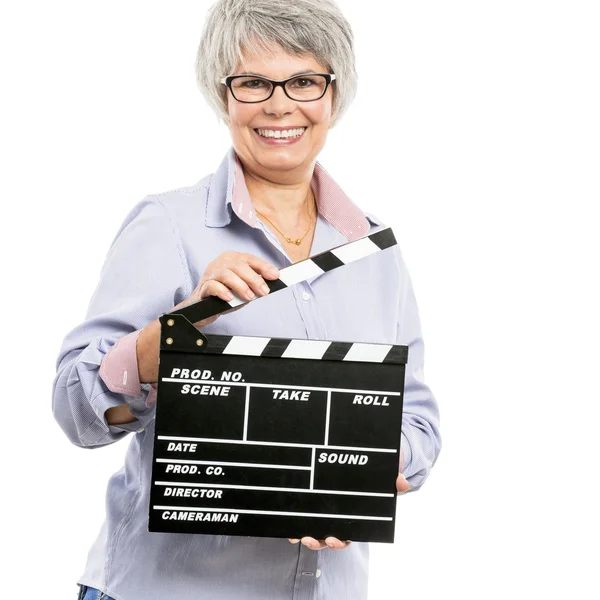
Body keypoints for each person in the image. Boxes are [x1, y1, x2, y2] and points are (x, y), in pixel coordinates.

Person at [52, 0, 441, 598]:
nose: (280, 104)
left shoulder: (373, 248)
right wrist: (175, 331)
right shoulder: (169, 224)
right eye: (254, 82)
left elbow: (415, 418)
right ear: (223, 94)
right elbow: (76, 410)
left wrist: (370, 474)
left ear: (335, 95)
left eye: (305, 80)